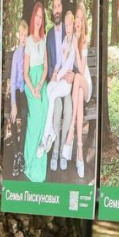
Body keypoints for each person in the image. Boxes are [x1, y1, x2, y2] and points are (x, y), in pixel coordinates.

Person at [37, 11, 76, 158]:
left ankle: (46, 137)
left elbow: (67, 66)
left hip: (66, 83)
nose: (67, 27)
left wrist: (58, 76)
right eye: (66, 25)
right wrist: (54, 73)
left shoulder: (74, 41)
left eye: (69, 24)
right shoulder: (65, 40)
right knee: (47, 90)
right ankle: (52, 131)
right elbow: (60, 60)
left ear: (72, 24)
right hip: (59, 77)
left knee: (52, 95)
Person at [64, 3, 93, 179]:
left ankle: (71, 133)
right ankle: (80, 153)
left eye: (82, 19)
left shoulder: (84, 40)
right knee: (78, 90)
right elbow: (68, 62)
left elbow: (82, 70)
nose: (79, 22)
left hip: (86, 82)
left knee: (79, 81)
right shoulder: (71, 37)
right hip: (77, 87)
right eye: (77, 18)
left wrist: (76, 46)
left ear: (84, 23)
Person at [45, 0, 72, 172]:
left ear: (62, 9)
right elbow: (48, 64)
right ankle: (54, 150)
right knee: (58, 108)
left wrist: (72, 74)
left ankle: (63, 149)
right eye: (54, 6)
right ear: (52, 10)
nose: (56, 10)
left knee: (68, 108)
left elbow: (73, 59)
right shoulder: (48, 35)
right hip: (55, 82)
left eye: (58, 6)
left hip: (67, 82)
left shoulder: (67, 31)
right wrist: (51, 76)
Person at [23, 5, 49, 183]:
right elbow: (25, 73)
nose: (39, 19)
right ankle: (29, 160)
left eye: (41, 17)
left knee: (46, 109)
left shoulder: (44, 39)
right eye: (37, 16)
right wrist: (33, 88)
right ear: (33, 18)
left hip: (42, 81)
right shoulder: (29, 41)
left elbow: (46, 67)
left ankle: (40, 163)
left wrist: (40, 85)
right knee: (36, 116)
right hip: (30, 82)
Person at [8, 20, 28, 178]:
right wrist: (13, 103)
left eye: (25, 35)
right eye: (21, 34)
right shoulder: (15, 55)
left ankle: (21, 152)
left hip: (24, 91)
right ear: (18, 35)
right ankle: (15, 154)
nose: (23, 38)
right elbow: (13, 80)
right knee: (13, 116)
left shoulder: (29, 52)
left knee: (25, 113)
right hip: (15, 91)